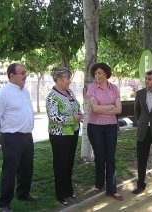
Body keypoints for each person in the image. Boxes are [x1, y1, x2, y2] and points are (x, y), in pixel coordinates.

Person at [0, 63, 37, 212]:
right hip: (11, 137)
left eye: (25, 72)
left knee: (27, 168)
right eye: (22, 73)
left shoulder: (25, 90)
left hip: (27, 136)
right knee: (10, 170)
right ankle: (4, 203)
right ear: (11, 75)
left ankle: (23, 193)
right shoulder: (3, 93)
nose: (25, 75)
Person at [46, 67, 83, 205]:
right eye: (68, 78)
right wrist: (73, 118)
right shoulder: (52, 96)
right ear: (60, 80)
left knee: (69, 162)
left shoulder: (70, 92)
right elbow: (54, 116)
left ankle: (68, 190)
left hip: (72, 132)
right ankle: (60, 193)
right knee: (60, 164)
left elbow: (75, 107)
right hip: (59, 135)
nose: (69, 81)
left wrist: (79, 115)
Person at [87, 63, 123, 201]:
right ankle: (99, 184)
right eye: (95, 74)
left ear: (106, 73)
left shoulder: (114, 88)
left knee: (111, 158)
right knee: (100, 156)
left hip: (111, 127)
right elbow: (94, 109)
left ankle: (112, 189)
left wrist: (103, 107)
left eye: (100, 73)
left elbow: (119, 109)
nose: (97, 76)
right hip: (95, 127)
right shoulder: (91, 88)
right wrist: (110, 106)